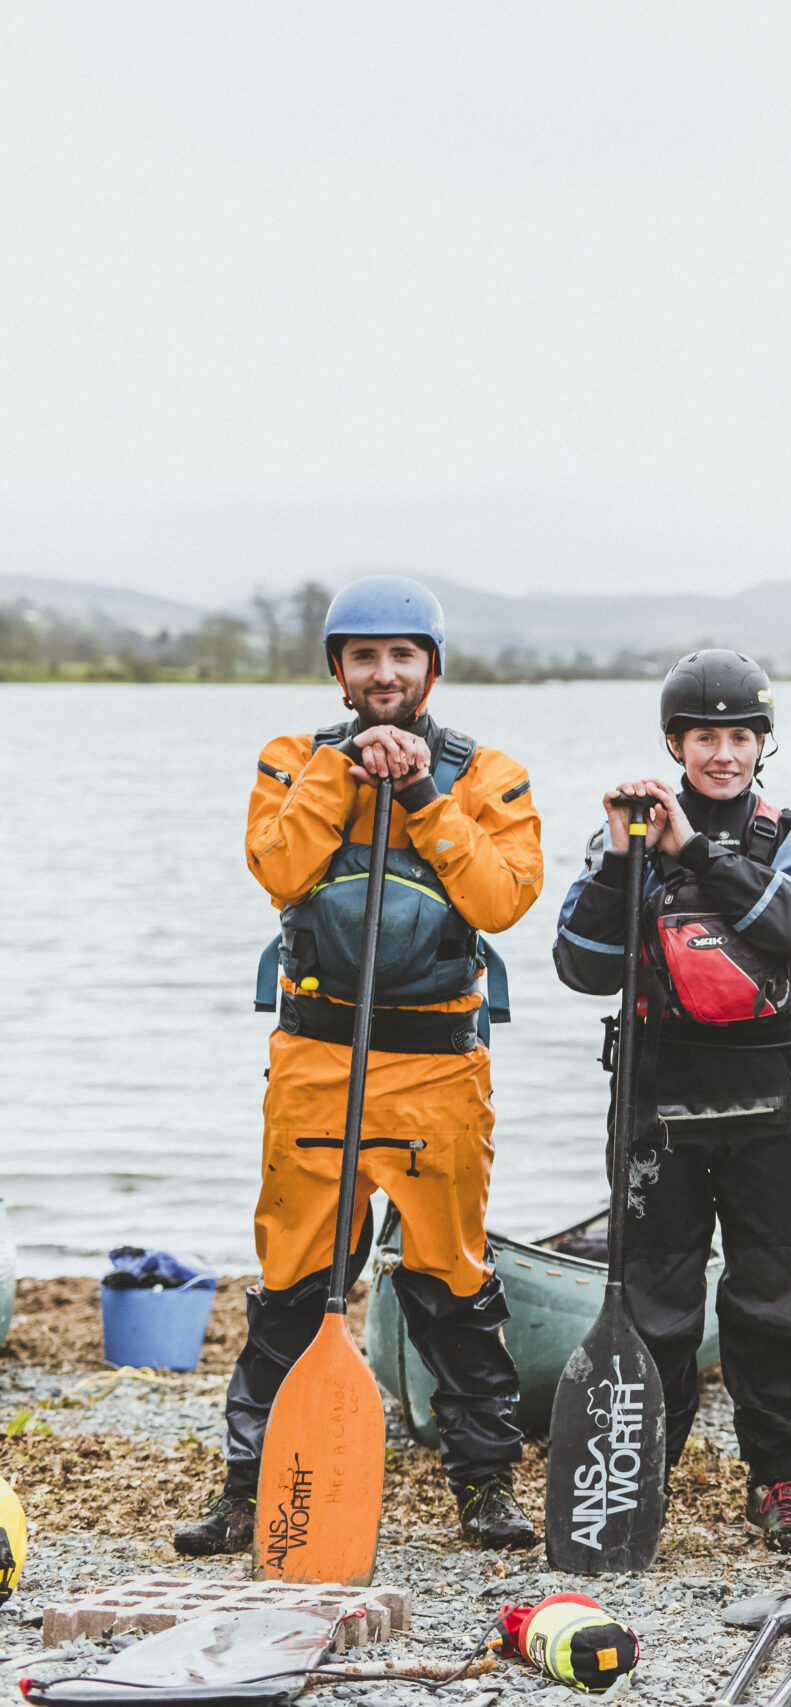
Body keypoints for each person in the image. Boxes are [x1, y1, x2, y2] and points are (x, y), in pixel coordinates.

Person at [177, 575, 544, 1555]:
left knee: (453, 1286)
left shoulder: (491, 775)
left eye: (403, 656)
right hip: (315, 1059)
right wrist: (345, 774)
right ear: (339, 671)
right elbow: (278, 868)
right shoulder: (288, 761)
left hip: (437, 1075)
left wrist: (422, 793)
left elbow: (503, 900)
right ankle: (246, 1487)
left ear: (431, 668)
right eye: (365, 657)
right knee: (293, 1282)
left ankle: (483, 1488)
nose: (385, 674)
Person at [551, 650, 791, 1551]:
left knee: (774, 1299)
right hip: (657, 1096)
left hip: (766, 1095)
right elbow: (579, 965)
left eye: (740, 736)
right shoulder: (622, 836)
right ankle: (644, 1467)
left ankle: (777, 1479)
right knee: (656, 1298)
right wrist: (623, 863)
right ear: (676, 741)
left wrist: (696, 850)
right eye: (705, 736)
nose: (723, 753)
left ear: (763, 743)